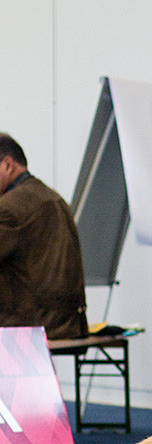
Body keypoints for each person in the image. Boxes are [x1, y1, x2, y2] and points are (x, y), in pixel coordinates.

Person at [0, 133, 88, 340]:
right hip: (69, 322)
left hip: (29, 324)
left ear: (7, 165)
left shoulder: (10, 208)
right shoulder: (55, 199)